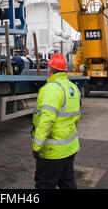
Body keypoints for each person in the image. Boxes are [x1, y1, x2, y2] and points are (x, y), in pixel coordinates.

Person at [31, 53, 81, 189]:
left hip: (53, 151)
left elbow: (47, 120)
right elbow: (76, 118)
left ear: (50, 70)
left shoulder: (51, 89)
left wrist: (37, 146)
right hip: (70, 148)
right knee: (67, 182)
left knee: (44, 184)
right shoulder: (73, 88)